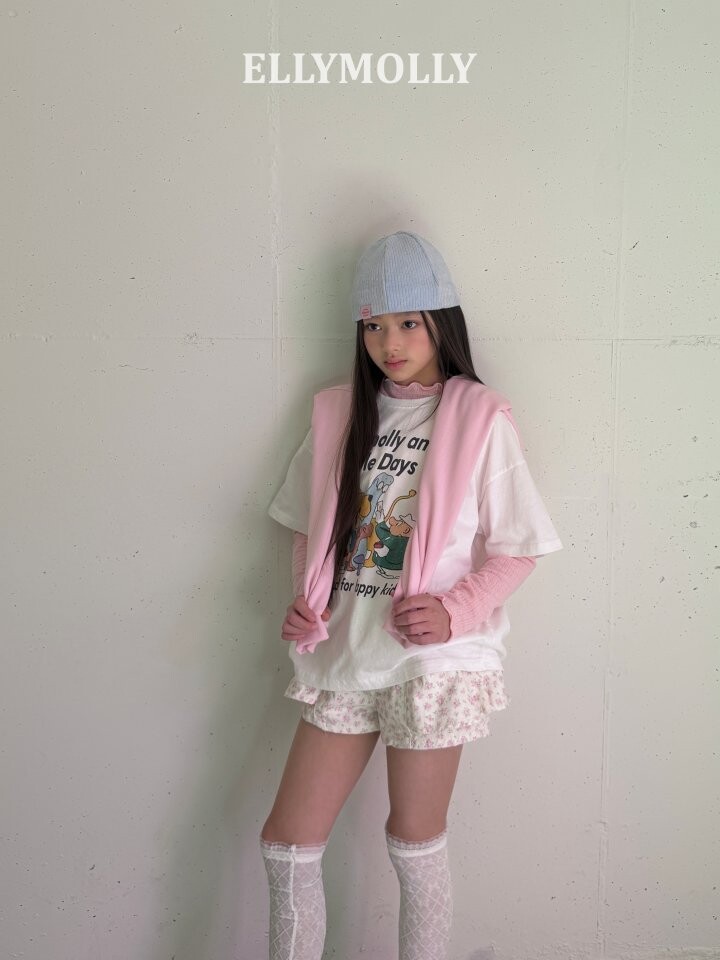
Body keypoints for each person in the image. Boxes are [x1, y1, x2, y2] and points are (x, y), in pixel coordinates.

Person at [259, 230, 563, 960]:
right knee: (287, 846)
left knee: (414, 844)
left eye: (408, 323)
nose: (389, 343)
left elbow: (518, 547)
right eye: (373, 326)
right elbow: (307, 527)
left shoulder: (478, 418)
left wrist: (456, 610)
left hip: (433, 665)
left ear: (440, 324)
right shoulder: (339, 413)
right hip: (346, 652)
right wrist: (308, 597)